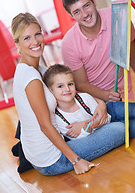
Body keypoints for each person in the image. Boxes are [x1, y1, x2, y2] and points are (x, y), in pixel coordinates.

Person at [11, 12, 125, 176]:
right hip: (52, 158)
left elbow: (70, 91)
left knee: (123, 120)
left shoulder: (40, 69)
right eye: (27, 38)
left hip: (56, 142)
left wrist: (100, 102)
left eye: (37, 34)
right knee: (120, 130)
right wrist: (76, 161)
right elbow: (44, 126)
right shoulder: (31, 78)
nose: (35, 42)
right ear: (17, 44)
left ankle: (130, 122)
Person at [61, 0, 135, 102]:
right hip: (96, 101)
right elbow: (81, 84)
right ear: (71, 15)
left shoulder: (118, 18)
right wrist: (106, 95)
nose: (85, 14)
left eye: (86, 6)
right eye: (77, 12)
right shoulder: (68, 44)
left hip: (122, 95)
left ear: (94, 1)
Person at [43, 64, 135, 140]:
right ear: (50, 90)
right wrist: (88, 128)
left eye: (70, 84)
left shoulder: (84, 98)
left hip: (110, 111)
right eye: (60, 86)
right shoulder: (58, 118)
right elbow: (78, 138)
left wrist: (83, 125)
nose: (67, 89)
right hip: (102, 130)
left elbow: (105, 118)